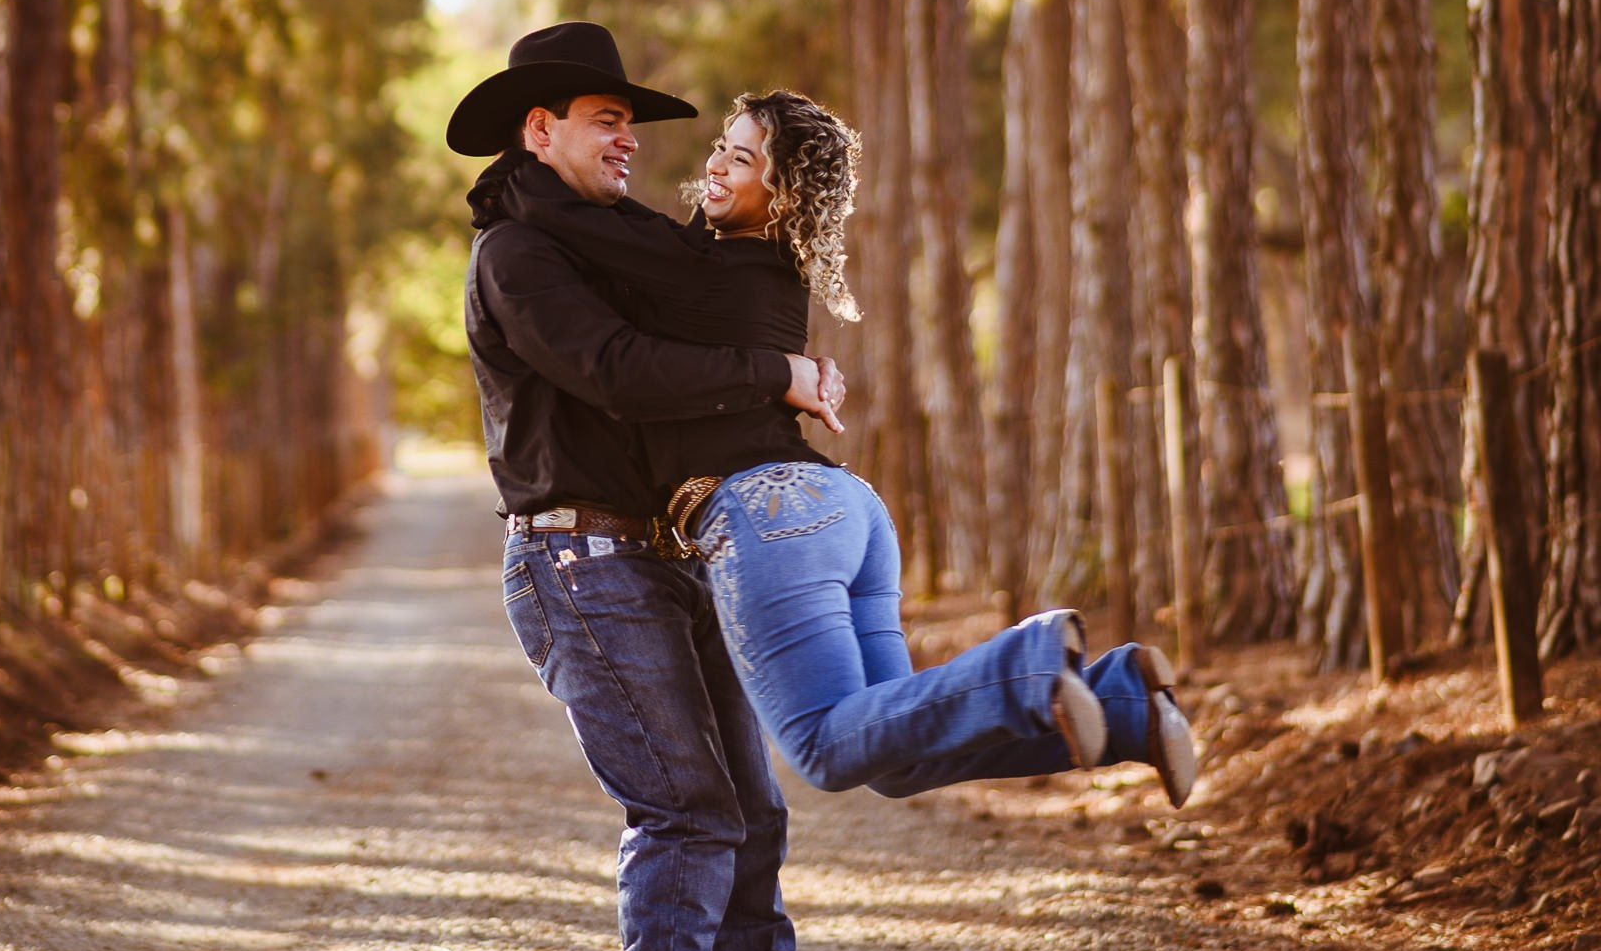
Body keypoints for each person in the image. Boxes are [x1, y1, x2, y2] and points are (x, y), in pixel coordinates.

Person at [497, 86, 1198, 810]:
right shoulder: (752, 268)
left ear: (782, 196)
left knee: (825, 749)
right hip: (842, 511)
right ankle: (1121, 708)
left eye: (742, 160)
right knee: (894, 756)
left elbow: (575, 221)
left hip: (767, 513)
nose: (716, 166)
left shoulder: (699, 267)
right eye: (721, 148)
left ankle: (1029, 665)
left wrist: (510, 173)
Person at [451, 21, 839, 951]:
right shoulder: (517, 259)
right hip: (578, 559)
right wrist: (779, 371)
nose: (630, 141)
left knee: (751, 811)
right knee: (685, 808)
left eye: (631, 123)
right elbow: (618, 376)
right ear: (541, 129)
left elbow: (715, 323)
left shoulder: (628, 245)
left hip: (672, 553)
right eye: (608, 120)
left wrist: (785, 376)